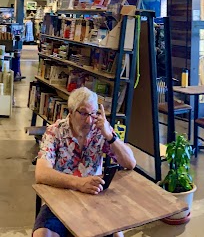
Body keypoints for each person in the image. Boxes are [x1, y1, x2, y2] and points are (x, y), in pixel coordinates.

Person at [33, 87, 136, 237]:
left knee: (117, 234)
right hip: (61, 197)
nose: (89, 120)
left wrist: (109, 136)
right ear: (71, 111)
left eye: (93, 113)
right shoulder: (55, 131)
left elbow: (130, 163)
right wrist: (79, 183)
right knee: (43, 234)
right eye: (83, 113)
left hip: (94, 198)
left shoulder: (100, 130)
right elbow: (41, 173)